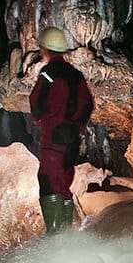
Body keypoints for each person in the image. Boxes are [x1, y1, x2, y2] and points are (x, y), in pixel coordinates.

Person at [29, 26, 93, 232]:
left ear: (45, 49)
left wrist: (44, 118)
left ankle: (55, 236)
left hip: (53, 139)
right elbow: (88, 104)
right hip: (72, 139)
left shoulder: (48, 73)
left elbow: (36, 102)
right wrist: (76, 127)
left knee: (48, 181)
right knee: (63, 184)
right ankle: (65, 234)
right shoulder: (76, 75)